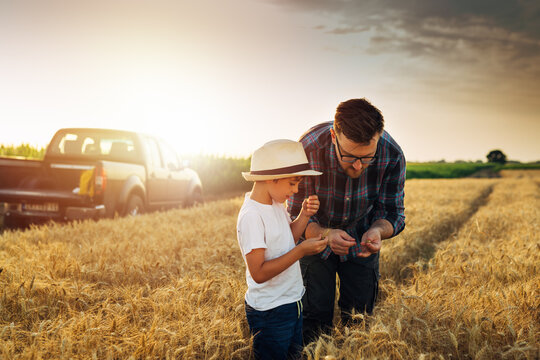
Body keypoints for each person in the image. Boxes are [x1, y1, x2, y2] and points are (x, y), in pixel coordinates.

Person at [287, 98, 406, 343]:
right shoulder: (306, 149)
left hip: (362, 242)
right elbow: (294, 215)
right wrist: (325, 235)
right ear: (333, 135)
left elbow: (393, 212)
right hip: (315, 244)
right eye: (350, 156)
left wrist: (377, 231)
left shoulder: (392, 155)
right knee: (314, 318)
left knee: (360, 320)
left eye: (368, 157)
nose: (359, 165)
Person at [237, 139, 329, 360]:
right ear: (271, 179)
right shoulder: (252, 216)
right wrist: (301, 251)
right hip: (271, 312)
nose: (296, 190)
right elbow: (258, 273)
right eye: (292, 183)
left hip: (292, 301)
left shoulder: (276, 204)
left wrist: (304, 216)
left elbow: (288, 238)